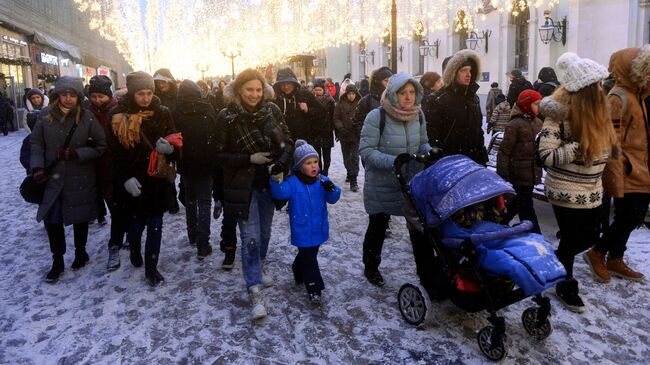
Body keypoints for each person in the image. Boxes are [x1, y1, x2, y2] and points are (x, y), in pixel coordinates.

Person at [538, 53, 617, 312]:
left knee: (589, 236)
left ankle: (556, 267)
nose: (601, 89)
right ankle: (565, 283)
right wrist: (578, 146)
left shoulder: (599, 114)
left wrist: (608, 150)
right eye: (596, 85)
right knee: (574, 238)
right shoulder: (558, 116)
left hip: (593, 190)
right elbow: (547, 155)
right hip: (565, 190)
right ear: (584, 90)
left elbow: (605, 148)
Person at [215, 69, 293, 320]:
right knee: (250, 238)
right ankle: (254, 288)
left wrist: (280, 163)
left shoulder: (272, 111)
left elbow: (288, 141)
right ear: (239, 90)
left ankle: (259, 265)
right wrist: (248, 158)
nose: (254, 94)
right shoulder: (227, 117)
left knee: (265, 233)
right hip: (243, 186)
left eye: (258, 89)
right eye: (249, 89)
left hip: (269, 184)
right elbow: (218, 155)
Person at [30, 76, 107, 282]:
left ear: (79, 97)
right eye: (64, 94)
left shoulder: (87, 117)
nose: (68, 99)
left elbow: (101, 146)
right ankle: (58, 260)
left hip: (79, 177)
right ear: (57, 96)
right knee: (53, 221)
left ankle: (81, 252)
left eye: (73, 95)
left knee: (80, 218)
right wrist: (37, 167)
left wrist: (77, 154)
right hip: (53, 179)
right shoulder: (45, 116)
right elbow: (36, 144)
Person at [584, 46, 650, 283]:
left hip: (640, 170)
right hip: (627, 171)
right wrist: (615, 180)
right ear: (632, 70)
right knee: (628, 217)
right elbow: (611, 143)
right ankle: (597, 252)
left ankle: (615, 258)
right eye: (645, 69)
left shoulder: (637, 95)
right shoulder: (618, 97)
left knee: (634, 216)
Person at [359, 72, 431, 286]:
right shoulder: (376, 116)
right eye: (402, 93)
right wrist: (395, 161)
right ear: (392, 94)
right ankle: (371, 267)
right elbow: (367, 151)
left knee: (417, 228)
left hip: (411, 183)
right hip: (382, 184)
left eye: (411, 92)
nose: (408, 97)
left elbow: (423, 142)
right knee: (378, 226)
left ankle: (425, 271)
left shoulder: (418, 115)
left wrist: (429, 151)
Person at [107, 71, 177, 286]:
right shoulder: (118, 115)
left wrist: (171, 148)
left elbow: (175, 138)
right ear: (132, 93)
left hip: (155, 179)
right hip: (132, 182)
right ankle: (135, 247)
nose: (146, 98)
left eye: (149, 93)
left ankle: (151, 268)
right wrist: (125, 178)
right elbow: (113, 153)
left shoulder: (162, 112)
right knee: (136, 225)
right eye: (141, 94)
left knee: (156, 224)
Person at [269, 139, 341, 305]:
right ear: (300, 166)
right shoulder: (293, 182)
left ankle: (297, 268)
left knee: (309, 254)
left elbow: (333, 198)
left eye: (315, 161)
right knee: (309, 259)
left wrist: (332, 189)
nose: (314, 166)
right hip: (302, 227)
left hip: (318, 227)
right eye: (308, 163)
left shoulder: (322, 180)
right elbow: (281, 194)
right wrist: (275, 180)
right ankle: (314, 288)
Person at [173, 79, 218, 259]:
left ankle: (192, 234)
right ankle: (203, 242)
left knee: (190, 200)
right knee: (205, 202)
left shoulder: (176, 112)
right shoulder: (207, 109)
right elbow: (214, 135)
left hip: (186, 164)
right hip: (206, 163)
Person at [424, 49, 487, 165]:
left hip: (473, 162)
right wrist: (440, 158)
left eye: (470, 70)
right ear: (452, 73)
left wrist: (481, 157)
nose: (469, 74)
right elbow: (431, 135)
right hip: (450, 163)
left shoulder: (473, 98)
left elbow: (478, 131)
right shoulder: (438, 99)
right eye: (463, 70)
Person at [496, 89, 543, 234]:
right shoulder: (515, 124)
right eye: (536, 104)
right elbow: (505, 150)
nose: (539, 107)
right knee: (526, 207)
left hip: (532, 172)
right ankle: (535, 235)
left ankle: (500, 222)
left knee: (519, 202)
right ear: (526, 105)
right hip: (518, 173)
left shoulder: (538, 122)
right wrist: (502, 173)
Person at [88, 75, 118, 227]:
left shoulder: (117, 110)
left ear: (108, 95)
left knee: (114, 198)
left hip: (112, 160)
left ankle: (120, 228)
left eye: (101, 96)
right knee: (98, 192)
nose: (97, 100)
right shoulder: (87, 111)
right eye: (93, 96)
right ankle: (100, 215)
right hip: (93, 160)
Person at [153, 68, 181, 214]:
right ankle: (171, 200)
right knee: (165, 169)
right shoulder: (154, 96)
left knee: (175, 167)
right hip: (160, 137)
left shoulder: (177, 96)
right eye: (157, 82)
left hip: (175, 135)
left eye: (163, 82)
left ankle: (179, 195)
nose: (160, 85)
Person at [273, 68, 322, 145]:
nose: (286, 87)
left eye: (288, 83)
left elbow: (322, 112)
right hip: (285, 143)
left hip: (306, 141)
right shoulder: (276, 100)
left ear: (294, 83)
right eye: (282, 84)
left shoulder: (305, 94)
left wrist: (308, 110)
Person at [333, 83, 362, 192]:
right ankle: (349, 172)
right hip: (344, 135)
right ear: (346, 94)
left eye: (353, 94)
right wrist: (341, 128)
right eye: (349, 94)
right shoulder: (340, 104)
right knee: (346, 157)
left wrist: (358, 126)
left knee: (354, 157)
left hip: (355, 135)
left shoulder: (360, 103)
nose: (351, 96)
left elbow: (363, 116)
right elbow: (336, 118)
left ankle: (354, 180)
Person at [311, 78, 336, 175]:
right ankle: (319, 172)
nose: (317, 92)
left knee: (327, 155)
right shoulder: (311, 100)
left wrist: (334, 129)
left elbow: (333, 116)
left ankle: (325, 171)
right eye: (316, 90)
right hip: (315, 131)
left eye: (319, 90)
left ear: (323, 89)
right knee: (317, 155)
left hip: (327, 131)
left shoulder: (330, 100)